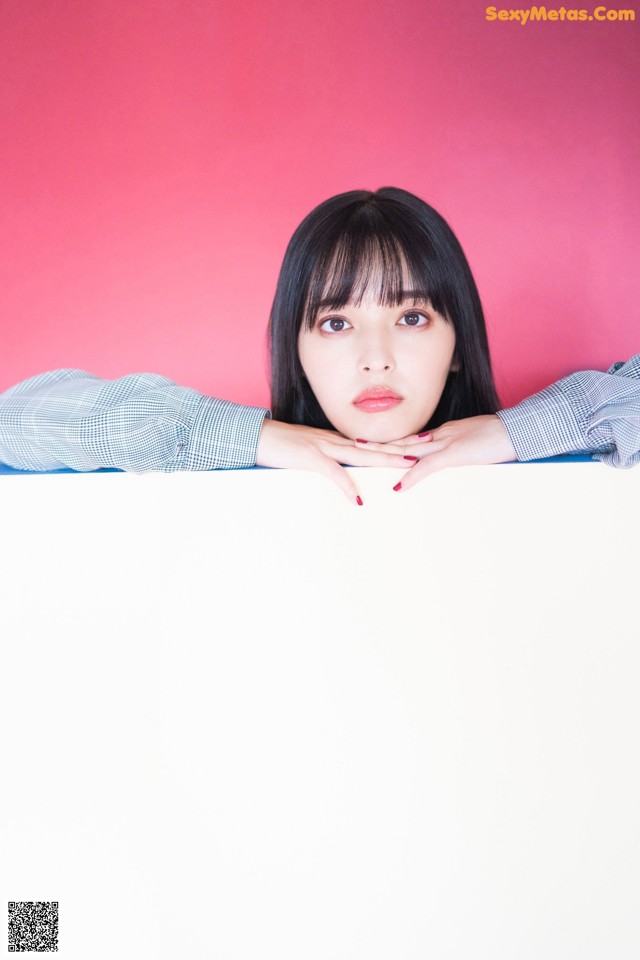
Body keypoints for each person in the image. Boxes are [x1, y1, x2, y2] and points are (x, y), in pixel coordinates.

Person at [0, 187, 638, 506]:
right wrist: (249, 439)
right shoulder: (241, 481)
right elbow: (15, 420)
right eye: (336, 323)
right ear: (295, 347)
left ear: (458, 343)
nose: (375, 357)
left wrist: (516, 434)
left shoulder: (555, 473)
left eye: (412, 317)